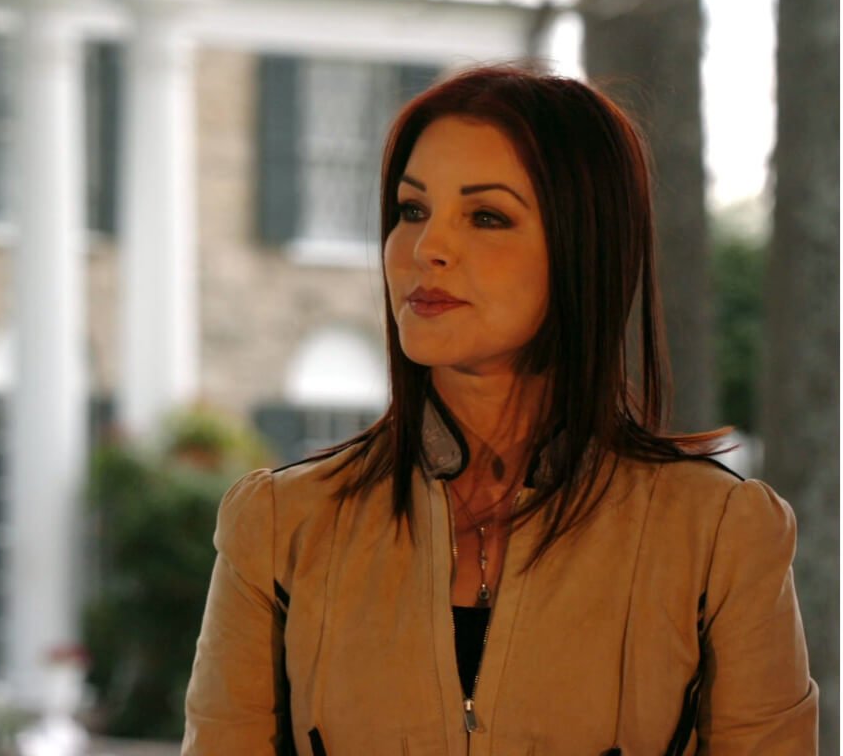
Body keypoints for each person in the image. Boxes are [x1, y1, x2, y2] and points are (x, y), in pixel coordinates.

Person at [182, 65, 818, 755]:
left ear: (583, 246)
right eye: (411, 210)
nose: (429, 249)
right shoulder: (278, 527)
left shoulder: (720, 535)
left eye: (486, 217)